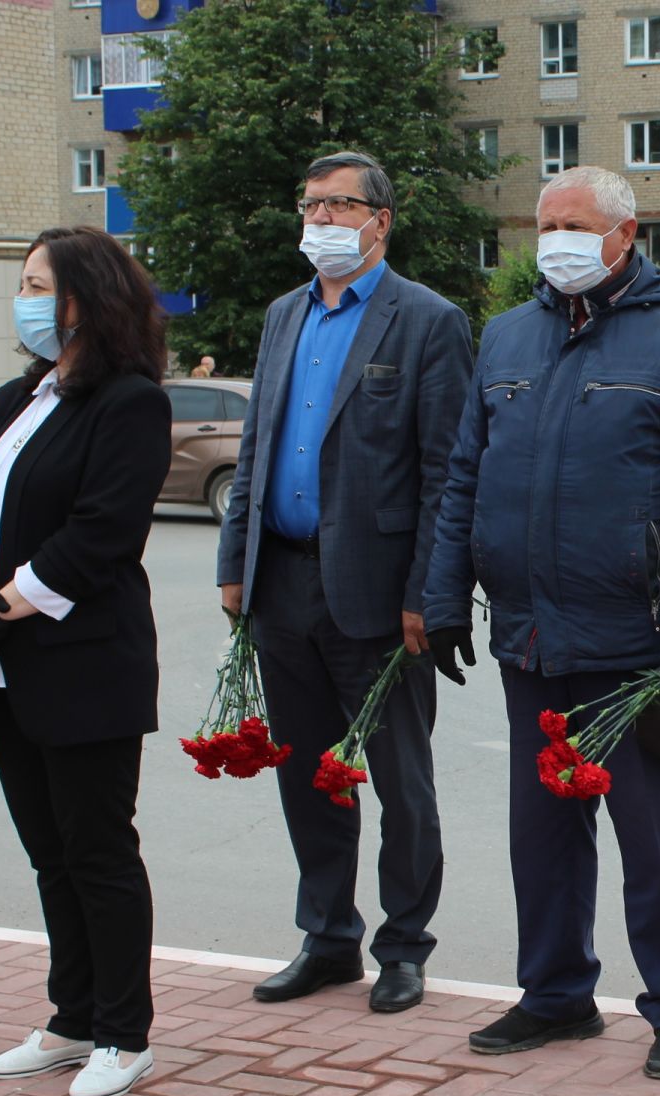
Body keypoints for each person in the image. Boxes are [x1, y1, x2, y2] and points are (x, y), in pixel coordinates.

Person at [422, 167, 660, 1081]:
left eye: (574, 223)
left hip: (636, 641)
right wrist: (447, 594)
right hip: (529, 635)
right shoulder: (507, 338)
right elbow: (463, 479)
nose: (556, 239)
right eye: (544, 224)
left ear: (624, 233)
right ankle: (557, 996)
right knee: (544, 833)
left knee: (656, 841)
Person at [216, 151, 473, 1015]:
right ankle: (328, 938)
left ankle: (404, 946)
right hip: (281, 584)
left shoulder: (428, 321)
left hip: (379, 596)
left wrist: (427, 596)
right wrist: (234, 565)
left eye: (340, 206)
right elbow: (257, 447)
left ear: (380, 222)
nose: (321, 221)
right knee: (307, 775)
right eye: (310, 204)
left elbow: (445, 473)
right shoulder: (285, 314)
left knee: (402, 781)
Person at [0, 226, 171, 1096]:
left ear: (86, 297)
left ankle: (124, 1031)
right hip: (2, 665)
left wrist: (2, 605)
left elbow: (103, 535)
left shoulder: (131, 403)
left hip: (82, 666)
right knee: (50, 854)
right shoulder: (14, 398)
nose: (25, 297)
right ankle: (72, 1017)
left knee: (98, 849)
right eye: (22, 280)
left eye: (39, 282)